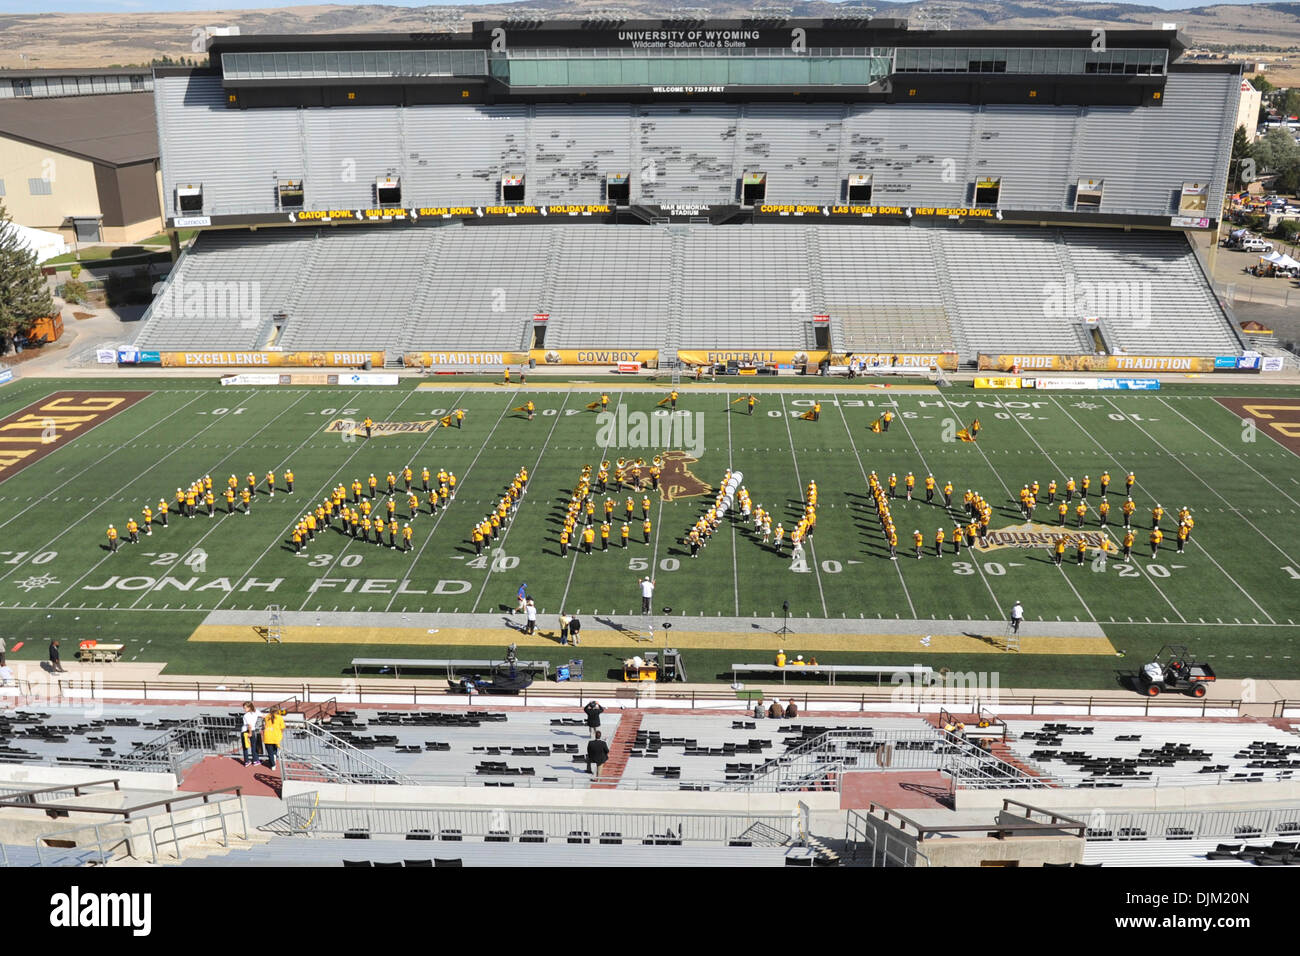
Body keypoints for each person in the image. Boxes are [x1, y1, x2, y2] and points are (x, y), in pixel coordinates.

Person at [261, 706, 285, 771]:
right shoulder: (280, 717)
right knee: (275, 748)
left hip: (268, 736)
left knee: (269, 751)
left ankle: (273, 764)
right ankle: (274, 756)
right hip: (276, 736)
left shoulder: (267, 717)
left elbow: (265, 725)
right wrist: (281, 734)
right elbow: (282, 727)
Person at [241, 701, 262, 767]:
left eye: (245, 708)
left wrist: (249, 733)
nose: (244, 709)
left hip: (246, 731)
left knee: (245, 746)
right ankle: (255, 760)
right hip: (252, 730)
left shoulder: (246, 715)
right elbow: (263, 715)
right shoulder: (255, 713)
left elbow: (249, 725)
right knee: (253, 746)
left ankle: (247, 761)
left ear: (249, 707)